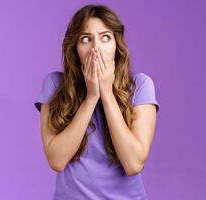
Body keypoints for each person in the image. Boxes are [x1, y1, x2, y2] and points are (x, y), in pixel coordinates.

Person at [34, 4, 160, 199]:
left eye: (105, 38)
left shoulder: (141, 86)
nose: (96, 48)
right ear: (75, 49)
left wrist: (107, 94)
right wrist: (91, 96)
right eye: (86, 39)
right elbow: (56, 160)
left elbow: (133, 164)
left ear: (117, 45)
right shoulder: (55, 84)